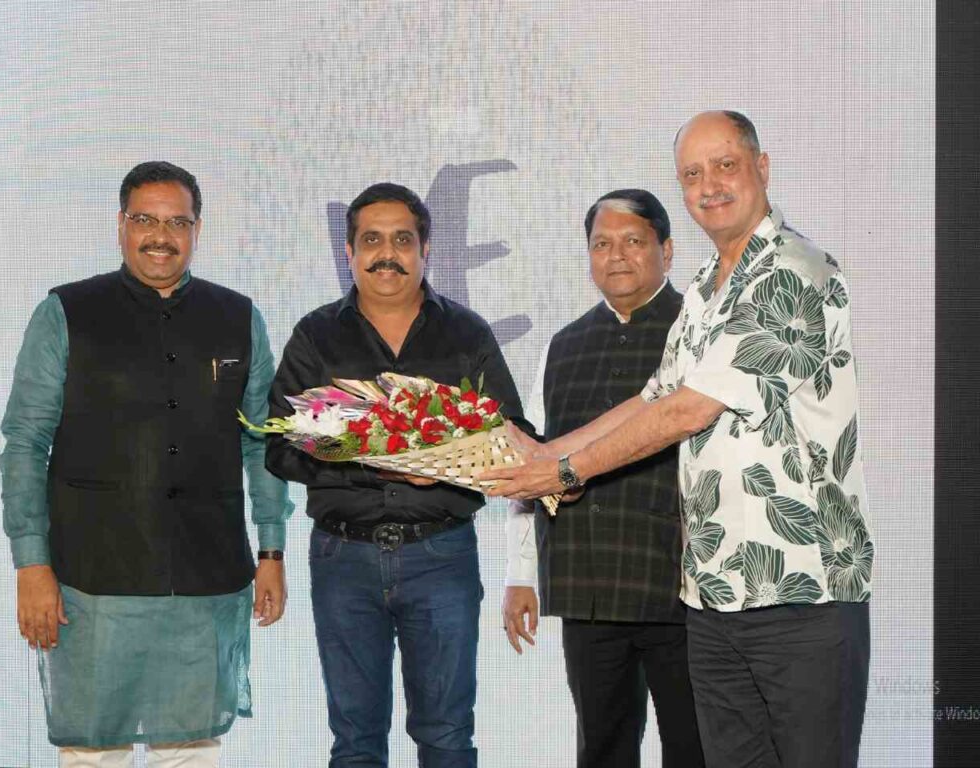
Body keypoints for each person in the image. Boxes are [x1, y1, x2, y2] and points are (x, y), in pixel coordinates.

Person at [483, 111, 873, 768]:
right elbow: (653, 397)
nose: (709, 185)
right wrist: (547, 455)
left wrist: (566, 472)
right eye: (692, 173)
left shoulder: (794, 271)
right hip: (714, 595)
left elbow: (688, 410)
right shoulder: (703, 289)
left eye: (725, 165)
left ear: (762, 168)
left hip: (802, 592)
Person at [0, 161, 293, 768]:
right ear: (121, 225)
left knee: (189, 753)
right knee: (92, 754)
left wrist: (271, 551)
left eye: (177, 222)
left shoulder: (237, 317)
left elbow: (261, 442)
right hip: (91, 579)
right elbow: (25, 442)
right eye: (145, 220)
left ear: (197, 230)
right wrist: (32, 564)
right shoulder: (66, 312)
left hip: (206, 575)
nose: (161, 236)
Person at [266, 182, 528, 768]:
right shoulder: (316, 335)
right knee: (355, 742)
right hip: (343, 558)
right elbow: (277, 446)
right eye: (372, 240)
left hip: (441, 556)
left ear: (425, 249)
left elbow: (514, 435)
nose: (388, 254)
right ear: (350, 251)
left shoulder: (466, 333)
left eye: (402, 240)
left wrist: (448, 466)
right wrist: (364, 453)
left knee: (447, 738)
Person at [502, 189, 703, 767]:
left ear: (667, 250)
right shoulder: (563, 345)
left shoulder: (700, 331)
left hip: (682, 586)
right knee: (601, 748)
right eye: (601, 244)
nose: (616, 256)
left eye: (633, 241)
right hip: (586, 581)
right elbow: (536, 464)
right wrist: (521, 574)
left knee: (695, 747)